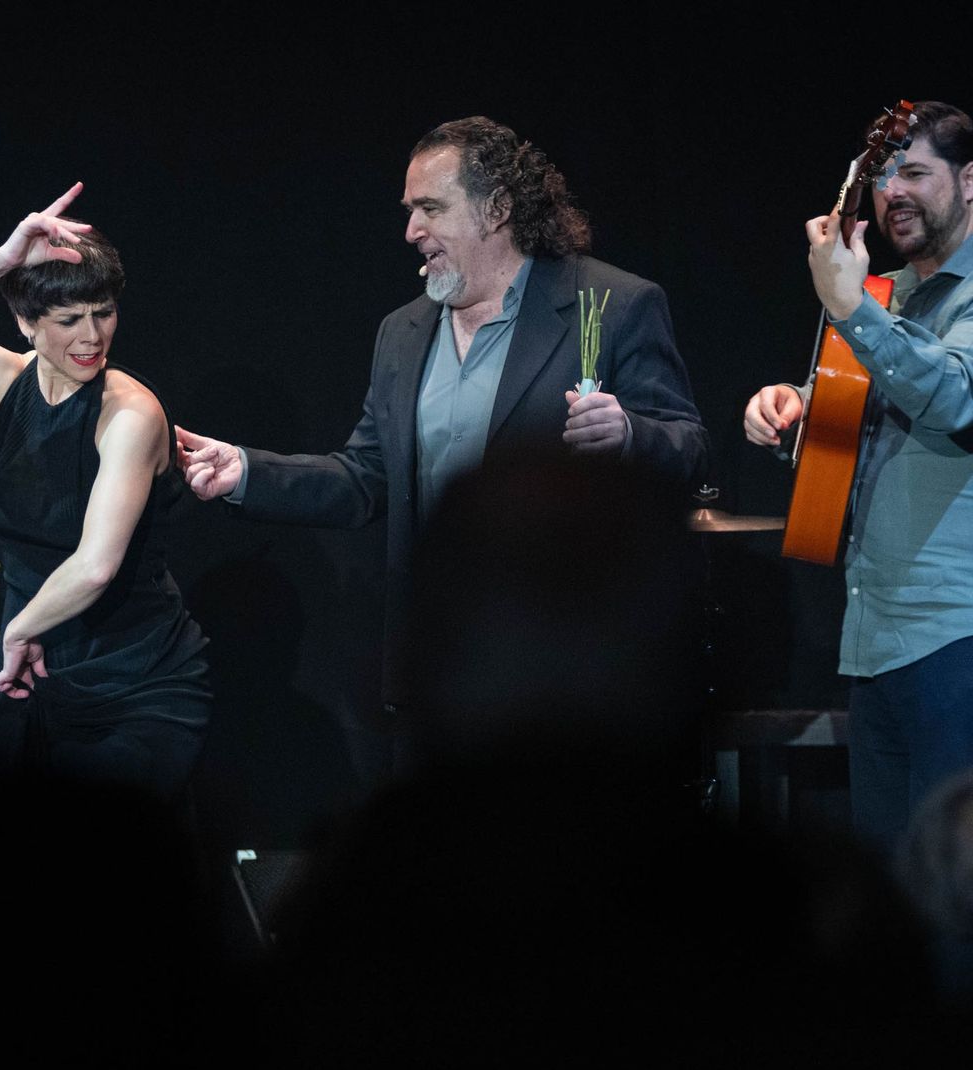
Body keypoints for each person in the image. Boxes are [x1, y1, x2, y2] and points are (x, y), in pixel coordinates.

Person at [177, 116, 708, 735]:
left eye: (430, 208)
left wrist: (629, 437)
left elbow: (689, 447)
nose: (411, 231)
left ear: (497, 209)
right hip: (441, 666)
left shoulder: (612, 304)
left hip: (573, 676)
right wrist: (247, 472)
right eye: (409, 211)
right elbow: (366, 478)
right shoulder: (402, 333)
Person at [0, 184, 208, 802]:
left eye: (103, 312)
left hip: (130, 672)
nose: (92, 337)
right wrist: (4, 258)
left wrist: (18, 631)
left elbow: (95, 565)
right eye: (68, 319)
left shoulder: (129, 413)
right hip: (33, 656)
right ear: (25, 323)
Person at [744, 100, 973, 854]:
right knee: (895, 899)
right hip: (875, 641)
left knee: (957, 899)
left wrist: (846, 302)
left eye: (914, 171)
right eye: (881, 177)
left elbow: (953, 397)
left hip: (957, 638)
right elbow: (871, 412)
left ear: (969, 181)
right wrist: (796, 413)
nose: (892, 192)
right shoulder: (886, 295)